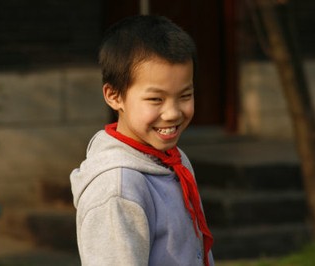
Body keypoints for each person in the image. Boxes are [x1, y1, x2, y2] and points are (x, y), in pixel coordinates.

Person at [70, 15, 214, 266]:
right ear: (114, 96)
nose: (172, 113)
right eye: (156, 99)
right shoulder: (118, 190)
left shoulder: (173, 160)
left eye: (185, 95)